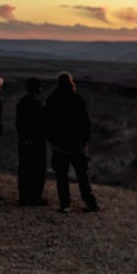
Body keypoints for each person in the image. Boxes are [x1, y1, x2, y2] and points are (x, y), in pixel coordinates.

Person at [45, 71, 99, 213]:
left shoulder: (52, 100)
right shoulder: (77, 99)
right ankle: (89, 202)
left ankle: (65, 204)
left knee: (61, 176)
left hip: (59, 145)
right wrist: (84, 140)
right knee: (82, 175)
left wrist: (52, 140)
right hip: (77, 145)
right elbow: (85, 122)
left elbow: (47, 122)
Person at [15, 77, 47, 206]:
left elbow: (19, 123)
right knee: (37, 170)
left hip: (23, 141)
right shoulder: (38, 104)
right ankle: (35, 197)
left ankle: (24, 196)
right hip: (37, 143)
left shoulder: (21, 102)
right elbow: (43, 124)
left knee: (24, 169)